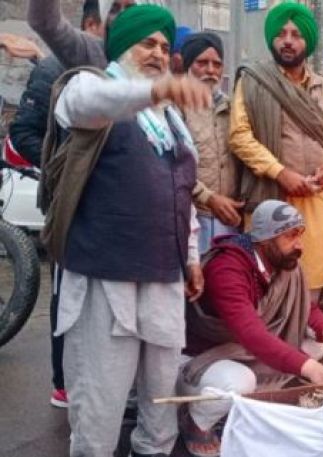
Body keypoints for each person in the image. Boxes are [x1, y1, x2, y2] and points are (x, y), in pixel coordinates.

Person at [50, 5, 210, 456]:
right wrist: (151, 90)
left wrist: (192, 257)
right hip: (105, 282)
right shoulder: (89, 85)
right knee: (98, 414)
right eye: (147, 43)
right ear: (121, 47)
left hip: (164, 279)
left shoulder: (171, 118)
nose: (159, 52)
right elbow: (88, 106)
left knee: (160, 412)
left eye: (165, 45)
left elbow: (182, 193)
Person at [180, 199, 323, 457]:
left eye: (299, 235)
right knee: (238, 383)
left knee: (315, 345)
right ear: (266, 239)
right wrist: (313, 370)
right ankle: (195, 422)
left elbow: (306, 306)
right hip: (201, 357)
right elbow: (251, 334)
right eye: (291, 236)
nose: (299, 245)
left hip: (243, 352)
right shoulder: (227, 268)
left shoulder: (283, 263)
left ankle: (245, 404)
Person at [8, 0, 103, 410]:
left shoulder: (121, 74)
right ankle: (63, 382)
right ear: (91, 24)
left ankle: (99, 379)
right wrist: (67, 169)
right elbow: (22, 133)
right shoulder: (53, 71)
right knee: (66, 294)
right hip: (69, 207)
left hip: (106, 212)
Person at [229, 2, 323, 303]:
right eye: (281, 33)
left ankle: (306, 348)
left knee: (311, 295)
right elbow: (239, 136)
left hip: (317, 206)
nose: (288, 40)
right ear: (272, 39)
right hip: (271, 202)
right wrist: (280, 172)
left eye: (296, 34)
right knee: (267, 293)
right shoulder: (253, 82)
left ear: (307, 41)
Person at [181, 31, 245, 254]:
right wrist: (210, 198)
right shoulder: (175, 108)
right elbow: (173, 166)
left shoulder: (231, 108)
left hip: (229, 216)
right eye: (202, 63)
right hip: (191, 217)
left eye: (217, 64)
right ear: (188, 65)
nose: (210, 70)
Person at [27, 0, 165, 69]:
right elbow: (46, 21)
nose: (122, 16)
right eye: (114, 9)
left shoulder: (163, 58)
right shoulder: (96, 53)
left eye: (131, 9)